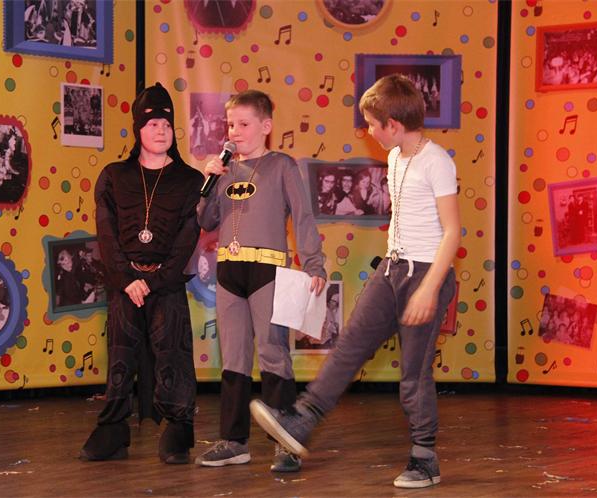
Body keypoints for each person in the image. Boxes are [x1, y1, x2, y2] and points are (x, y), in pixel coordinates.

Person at [250, 74, 460, 489]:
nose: (368, 131)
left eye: (372, 124)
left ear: (393, 125)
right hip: (393, 270)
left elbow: (452, 232)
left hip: (425, 274)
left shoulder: (437, 161)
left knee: (414, 374)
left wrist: (429, 289)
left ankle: (424, 458)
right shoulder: (396, 157)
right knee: (348, 347)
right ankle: (302, 420)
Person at [196, 89, 327, 472]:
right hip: (229, 271)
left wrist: (314, 264)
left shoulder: (281, 165)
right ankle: (234, 441)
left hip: (267, 271)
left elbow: (302, 217)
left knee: (273, 352)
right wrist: (208, 182)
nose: (234, 132)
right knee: (234, 357)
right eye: (230, 124)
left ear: (266, 126)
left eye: (243, 124)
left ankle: (285, 441)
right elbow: (206, 221)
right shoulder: (224, 171)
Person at [80, 83, 203, 464]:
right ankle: (113, 429)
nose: (160, 131)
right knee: (120, 355)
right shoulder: (114, 176)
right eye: (152, 124)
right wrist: (126, 278)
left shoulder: (190, 180)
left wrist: (154, 281)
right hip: (125, 283)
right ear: (138, 130)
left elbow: (187, 238)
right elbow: (106, 232)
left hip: (165, 283)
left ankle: (178, 429)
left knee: (173, 354)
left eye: (166, 124)